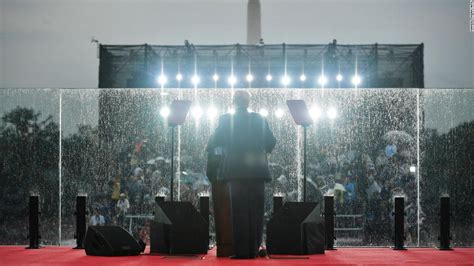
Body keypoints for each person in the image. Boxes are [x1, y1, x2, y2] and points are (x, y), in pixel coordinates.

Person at [207, 90, 276, 259]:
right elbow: (271, 142)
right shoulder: (260, 119)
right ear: (248, 102)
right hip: (257, 171)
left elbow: (213, 142)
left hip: (235, 171)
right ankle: (254, 249)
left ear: (233, 102)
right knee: (257, 212)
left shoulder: (226, 120)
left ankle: (241, 252)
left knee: (238, 212)